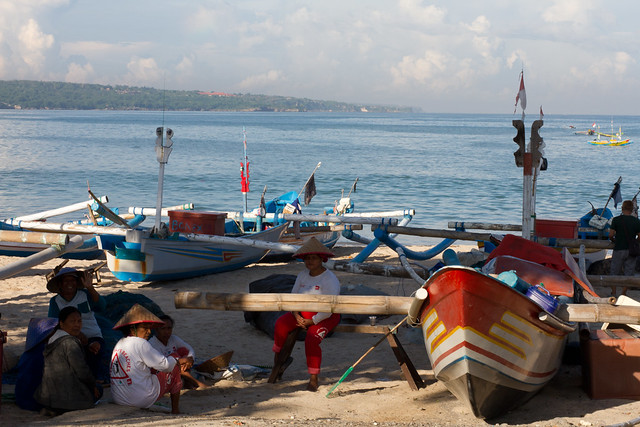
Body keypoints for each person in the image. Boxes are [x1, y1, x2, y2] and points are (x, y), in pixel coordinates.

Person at [272, 237, 341, 392]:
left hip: (325, 316)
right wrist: (296, 315)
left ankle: (313, 378)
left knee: (312, 340)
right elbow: (293, 297)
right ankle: (278, 361)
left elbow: (330, 307)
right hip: (301, 314)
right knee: (280, 324)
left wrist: (312, 321)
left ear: (322, 259)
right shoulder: (302, 275)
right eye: (307, 258)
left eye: (314, 258)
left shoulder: (329, 279)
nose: (310, 261)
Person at [110, 304, 191, 414]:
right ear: (133, 329)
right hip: (139, 399)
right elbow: (166, 366)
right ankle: (175, 410)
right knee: (174, 366)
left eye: (149, 328)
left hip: (119, 398)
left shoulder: (119, 343)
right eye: (145, 328)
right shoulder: (141, 343)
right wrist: (176, 358)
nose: (149, 332)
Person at [35, 306, 103, 415]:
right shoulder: (70, 343)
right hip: (66, 397)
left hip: (47, 398)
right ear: (61, 323)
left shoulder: (54, 339)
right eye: (72, 321)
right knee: (99, 389)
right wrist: (93, 384)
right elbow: (81, 371)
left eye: (79, 321)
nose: (77, 325)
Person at [47, 267, 108, 382]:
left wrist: (90, 287)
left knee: (95, 349)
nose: (70, 283)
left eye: (73, 280)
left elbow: (102, 306)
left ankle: (95, 379)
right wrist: (77, 335)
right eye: (66, 280)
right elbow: (53, 325)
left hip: (93, 336)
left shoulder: (85, 294)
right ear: (60, 284)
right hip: (68, 338)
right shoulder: (55, 301)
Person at [149, 314, 208, 389]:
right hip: (159, 373)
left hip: (176, 368)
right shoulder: (152, 344)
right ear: (156, 329)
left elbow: (190, 349)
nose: (167, 332)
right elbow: (163, 363)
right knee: (176, 361)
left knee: (184, 353)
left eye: (169, 328)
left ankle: (188, 383)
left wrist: (189, 359)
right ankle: (196, 383)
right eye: (163, 329)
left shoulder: (173, 339)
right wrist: (181, 361)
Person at [608, 199, 640, 296]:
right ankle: (623, 293)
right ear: (632, 210)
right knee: (629, 273)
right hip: (631, 250)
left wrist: (614, 240)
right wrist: (635, 242)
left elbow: (611, 235)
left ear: (622, 208)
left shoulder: (616, 220)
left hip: (618, 248)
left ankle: (613, 293)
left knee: (614, 271)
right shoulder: (636, 221)